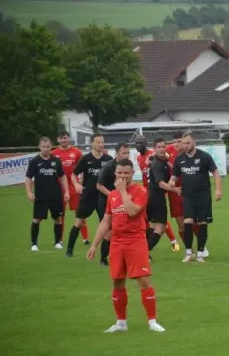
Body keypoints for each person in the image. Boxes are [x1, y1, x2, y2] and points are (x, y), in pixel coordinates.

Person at [86, 159, 165, 333]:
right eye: (119, 172)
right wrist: (94, 245)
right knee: (117, 281)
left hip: (136, 240)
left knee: (142, 280)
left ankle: (152, 322)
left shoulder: (141, 191)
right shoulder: (112, 195)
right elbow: (106, 221)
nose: (122, 176)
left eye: (126, 173)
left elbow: (132, 211)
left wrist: (122, 192)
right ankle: (121, 323)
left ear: (132, 173)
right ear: (115, 173)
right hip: (116, 242)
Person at [169, 132, 222, 263]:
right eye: (183, 143)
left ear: (194, 143)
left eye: (188, 143)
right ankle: (188, 252)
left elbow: (215, 172)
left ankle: (200, 253)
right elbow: (175, 175)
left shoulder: (204, 156)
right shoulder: (179, 159)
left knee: (202, 223)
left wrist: (218, 190)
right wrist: (171, 181)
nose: (185, 145)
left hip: (203, 195)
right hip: (187, 195)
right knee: (187, 222)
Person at [65, 134, 113, 259]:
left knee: (107, 227)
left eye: (102, 142)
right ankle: (69, 250)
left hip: (103, 198)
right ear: (92, 144)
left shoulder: (109, 159)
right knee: (78, 223)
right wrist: (76, 185)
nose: (101, 145)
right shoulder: (86, 159)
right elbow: (74, 174)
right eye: (98, 142)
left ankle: (104, 258)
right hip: (88, 196)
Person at [135, 136, 180, 252]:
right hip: (156, 196)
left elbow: (167, 156)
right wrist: (176, 189)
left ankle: (142, 249)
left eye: (163, 147)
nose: (162, 149)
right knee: (161, 226)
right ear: (154, 148)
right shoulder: (157, 164)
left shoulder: (158, 159)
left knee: (154, 225)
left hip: (151, 194)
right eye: (159, 147)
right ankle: (143, 252)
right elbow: (160, 184)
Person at [25, 137, 70, 251]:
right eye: (43, 147)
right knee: (37, 219)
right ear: (39, 147)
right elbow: (28, 177)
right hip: (40, 196)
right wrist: (29, 192)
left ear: (51, 147)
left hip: (56, 195)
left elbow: (62, 176)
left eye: (48, 147)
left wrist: (67, 191)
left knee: (58, 218)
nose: (46, 149)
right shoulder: (34, 161)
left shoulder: (56, 160)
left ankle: (57, 242)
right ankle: (34, 244)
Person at [96, 142, 131, 265]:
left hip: (122, 201)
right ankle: (103, 258)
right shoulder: (108, 166)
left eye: (128, 153)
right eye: (124, 153)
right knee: (109, 231)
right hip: (106, 202)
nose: (127, 155)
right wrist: (113, 195)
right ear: (117, 153)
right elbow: (99, 185)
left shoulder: (128, 167)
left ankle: (124, 256)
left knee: (124, 229)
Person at [51, 131, 89, 244]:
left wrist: (81, 181)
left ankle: (85, 238)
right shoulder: (53, 154)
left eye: (65, 138)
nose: (63, 140)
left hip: (73, 186)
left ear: (69, 139)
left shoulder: (76, 152)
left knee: (80, 212)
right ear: (58, 140)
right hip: (59, 187)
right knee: (59, 214)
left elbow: (83, 167)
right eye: (61, 138)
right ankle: (59, 240)